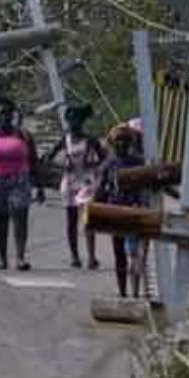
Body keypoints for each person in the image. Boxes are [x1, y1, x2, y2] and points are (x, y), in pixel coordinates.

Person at [0, 97, 45, 271]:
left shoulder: (24, 136)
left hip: (20, 182)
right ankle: (2, 259)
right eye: (1, 113)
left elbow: (34, 162)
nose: (5, 116)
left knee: (20, 217)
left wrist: (39, 186)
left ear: (13, 115)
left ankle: (20, 257)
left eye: (8, 113)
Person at [45, 103, 105, 269]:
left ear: (82, 122)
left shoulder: (90, 140)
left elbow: (105, 159)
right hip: (69, 181)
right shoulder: (65, 139)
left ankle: (92, 257)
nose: (73, 125)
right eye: (71, 121)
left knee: (87, 219)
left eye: (77, 121)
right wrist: (62, 167)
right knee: (71, 221)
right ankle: (75, 256)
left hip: (86, 181)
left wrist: (94, 165)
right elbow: (48, 158)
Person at [98, 126, 148, 299]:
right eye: (118, 141)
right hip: (115, 211)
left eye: (125, 141)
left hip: (134, 210)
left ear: (130, 143)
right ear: (112, 143)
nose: (121, 144)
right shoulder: (108, 164)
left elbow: (150, 182)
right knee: (119, 254)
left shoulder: (139, 162)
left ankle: (135, 293)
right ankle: (122, 292)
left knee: (134, 253)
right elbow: (101, 191)